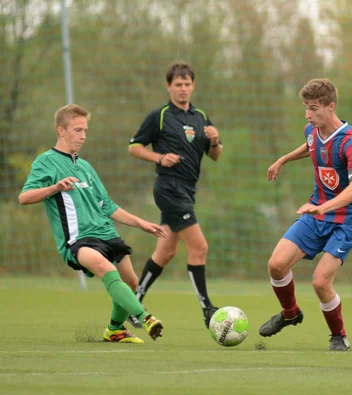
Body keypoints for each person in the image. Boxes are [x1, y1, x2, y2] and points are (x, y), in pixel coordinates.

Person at [19, 104, 165, 343]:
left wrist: (142, 224)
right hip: (79, 240)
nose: (83, 135)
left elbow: (107, 207)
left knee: (131, 282)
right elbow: (24, 198)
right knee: (108, 270)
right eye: (77, 130)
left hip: (106, 233)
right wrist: (55, 187)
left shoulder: (86, 167)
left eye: (85, 130)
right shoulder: (46, 162)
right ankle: (146, 318)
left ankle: (115, 330)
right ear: (61, 131)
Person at [258, 78, 352, 351]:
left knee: (320, 282)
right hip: (316, 212)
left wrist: (324, 207)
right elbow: (309, 146)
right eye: (306, 108)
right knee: (276, 265)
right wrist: (283, 159)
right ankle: (290, 313)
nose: (308, 114)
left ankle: (338, 336)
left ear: (331, 107)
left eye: (314, 108)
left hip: (346, 219)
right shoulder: (311, 130)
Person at [128, 61, 223, 328]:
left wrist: (215, 141)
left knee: (166, 252)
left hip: (187, 192)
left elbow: (215, 156)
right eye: (178, 84)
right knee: (200, 247)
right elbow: (134, 147)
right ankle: (207, 308)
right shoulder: (159, 116)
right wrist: (159, 157)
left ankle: (134, 305)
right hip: (169, 189)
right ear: (168, 86)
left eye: (187, 84)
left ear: (193, 86)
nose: (183, 89)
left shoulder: (201, 117)